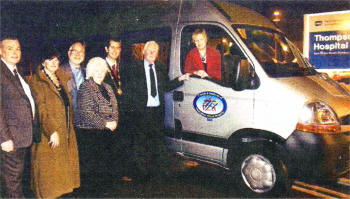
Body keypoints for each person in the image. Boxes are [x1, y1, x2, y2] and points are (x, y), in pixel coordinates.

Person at [126, 41, 189, 182]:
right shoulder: (135, 69)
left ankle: (159, 174)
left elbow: (166, 86)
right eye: (150, 50)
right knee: (140, 144)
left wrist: (179, 79)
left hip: (157, 112)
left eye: (155, 51)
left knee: (158, 143)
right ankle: (141, 175)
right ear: (143, 52)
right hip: (141, 112)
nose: (152, 53)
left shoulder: (160, 67)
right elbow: (130, 91)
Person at [28, 48, 80, 198]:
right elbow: (41, 110)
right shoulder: (37, 82)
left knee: (62, 181)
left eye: (56, 60)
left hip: (65, 133)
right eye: (50, 60)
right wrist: (52, 131)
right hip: (49, 136)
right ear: (43, 62)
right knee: (49, 182)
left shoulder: (61, 79)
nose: (53, 63)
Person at [0, 36, 40, 198]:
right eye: (10, 48)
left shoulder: (16, 72)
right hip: (11, 139)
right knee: (13, 183)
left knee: (17, 181)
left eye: (18, 48)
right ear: (1, 51)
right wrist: (4, 138)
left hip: (23, 138)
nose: (15, 52)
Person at [75, 57, 119, 196]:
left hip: (107, 133)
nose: (99, 72)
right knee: (93, 172)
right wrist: (105, 123)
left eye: (102, 69)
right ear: (90, 72)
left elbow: (115, 107)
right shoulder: (86, 87)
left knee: (105, 167)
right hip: (90, 134)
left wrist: (115, 122)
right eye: (96, 70)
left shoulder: (108, 87)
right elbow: (87, 112)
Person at [104, 38, 132, 182]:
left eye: (118, 48)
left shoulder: (123, 67)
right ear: (106, 49)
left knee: (122, 143)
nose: (115, 50)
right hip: (107, 113)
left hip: (123, 112)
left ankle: (121, 172)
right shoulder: (100, 66)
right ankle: (109, 177)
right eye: (112, 47)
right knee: (109, 145)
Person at [60, 41, 86, 122]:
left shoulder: (88, 72)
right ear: (68, 53)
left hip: (87, 122)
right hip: (68, 121)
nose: (78, 54)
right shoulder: (59, 72)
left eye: (81, 52)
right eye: (75, 51)